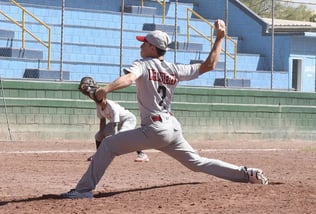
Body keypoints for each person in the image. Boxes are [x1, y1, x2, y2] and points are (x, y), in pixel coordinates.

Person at [61, 19, 269, 199]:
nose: (141, 47)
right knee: (197, 162)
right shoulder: (175, 69)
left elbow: (129, 78)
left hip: (154, 128)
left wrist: (105, 89)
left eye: (145, 44)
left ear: (153, 48)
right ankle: (246, 173)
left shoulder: (143, 64)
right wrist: (220, 38)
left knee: (108, 146)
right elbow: (209, 66)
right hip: (172, 127)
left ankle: (83, 191)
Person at [86, 93, 149, 162]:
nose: (99, 102)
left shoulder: (112, 106)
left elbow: (114, 127)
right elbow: (102, 120)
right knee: (98, 136)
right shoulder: (98, 106)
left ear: (104, 98)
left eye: (100, 100)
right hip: (117, 122)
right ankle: (99, 155)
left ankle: (142, 154)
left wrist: (114, 139)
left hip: (128, 119)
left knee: (122, 135)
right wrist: (101, 133)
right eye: (97, 101)